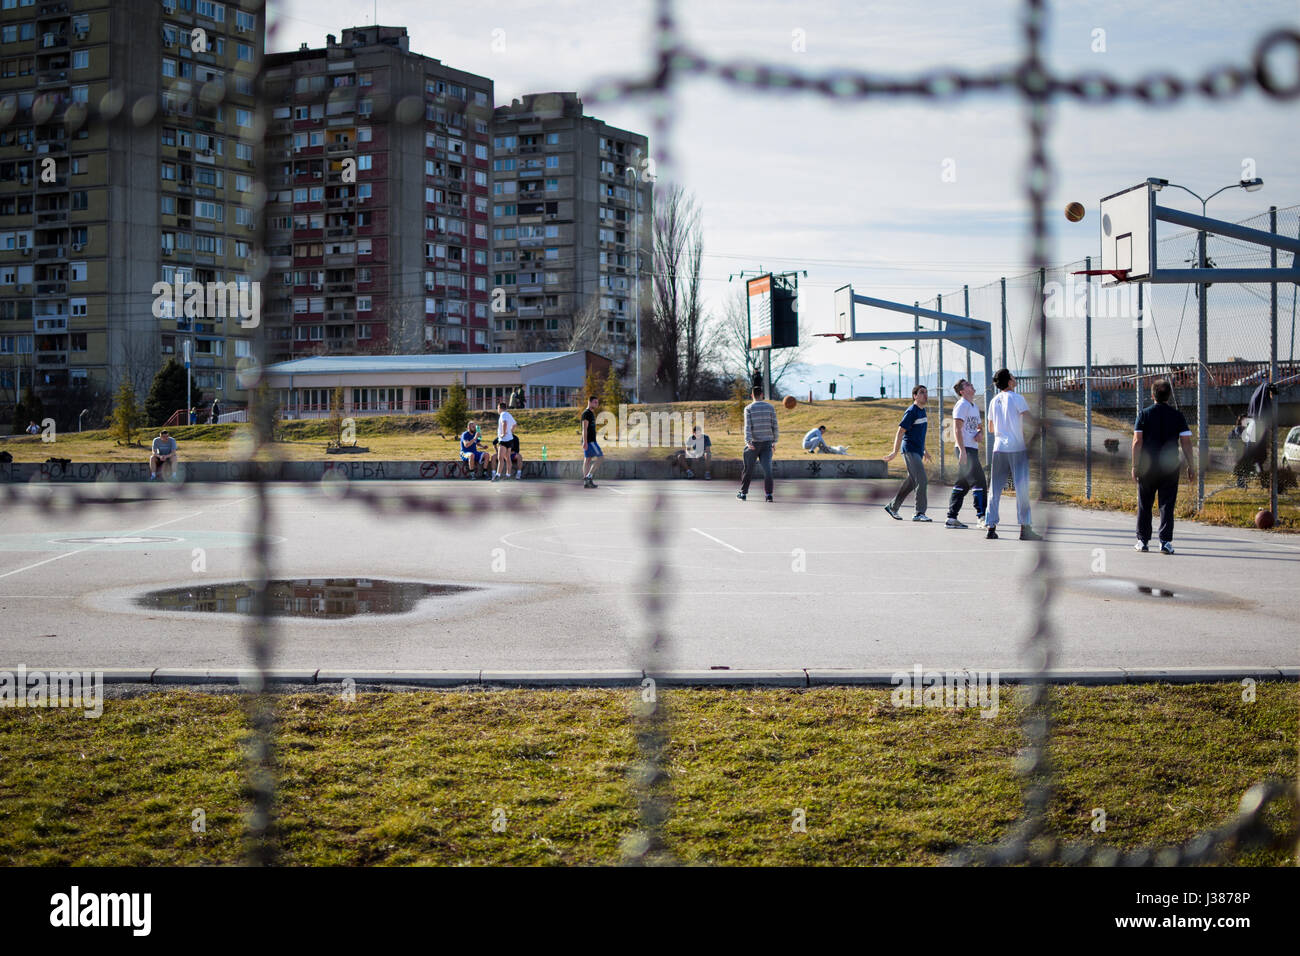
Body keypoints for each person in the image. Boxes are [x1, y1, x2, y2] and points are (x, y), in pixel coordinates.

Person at [1132, 378, 1195, 554]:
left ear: (1152, 395)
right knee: (1167, 504)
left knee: (1145, 503)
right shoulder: (1177, 416)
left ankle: (1143, 541)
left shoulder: (1144, 414)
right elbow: (1186, 443)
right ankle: (1165, 542)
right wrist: (1191, 465)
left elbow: (1137, 442)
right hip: (1170, 466)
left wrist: (1135, 466)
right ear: (1169, 395)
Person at [985, 368, 1041, 541]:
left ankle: (991, 526)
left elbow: (991, 428)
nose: (1014, 378)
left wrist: (1004, 427)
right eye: (1012, 376)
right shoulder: (1017, 398)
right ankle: (1025, 528)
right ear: (1009, 381)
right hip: (1016, 448)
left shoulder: (994, 401)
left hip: (999, 448)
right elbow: (1029, 419)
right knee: (1021, 488)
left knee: (995, 488)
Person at [882, 385, 933, 521]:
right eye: (922, 392)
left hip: (917, 450)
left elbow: (919, 435)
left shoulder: (923, 411)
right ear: (915, 396)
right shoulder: (911, 411)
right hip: (909, 450)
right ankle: (919, 513)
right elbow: (900, 432)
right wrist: (894, 452)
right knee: (922, 480)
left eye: (926, 392)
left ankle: (892, 507)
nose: (925, 395)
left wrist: (925, 451)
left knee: (911, 481)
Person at [945, 378, 986, 529]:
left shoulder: (973, 406)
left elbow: (979, 426)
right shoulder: (961, 405)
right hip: (965, 449)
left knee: (962, 484)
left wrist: (979, 433)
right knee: (979, 481)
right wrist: (962, 451)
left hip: (972, 448)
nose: (971, 385)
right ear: (962, 391)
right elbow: (957, 429)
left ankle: (951, 518)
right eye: (967, 385)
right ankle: (982, 516)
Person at [737, 385, 778, 502]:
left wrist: (748, 441)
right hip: (767, 443)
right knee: (768, 470)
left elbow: (747, 426)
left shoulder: (748, 408)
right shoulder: (770, 407)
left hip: (753, 444)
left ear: (752, 395)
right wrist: (774, 441)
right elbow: (775, 425)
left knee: (748, 469)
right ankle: (769, 495)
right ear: (762, 395)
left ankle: (743, 493)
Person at [493, 401, 521, 481]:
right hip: (510, 439)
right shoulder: (509, 414)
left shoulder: (503, 414)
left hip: (504, 439)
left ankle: (498, 475)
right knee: (507, 457)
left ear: (500, 408)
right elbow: (515, 424)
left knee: (500, 457)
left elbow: (504, 423)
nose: (497, 410)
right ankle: (508, 475)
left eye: (498, 408)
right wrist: (510, 432)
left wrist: (503, 433)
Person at [580, 394, 602, 489]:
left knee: (588, 459)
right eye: (595, 402)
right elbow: (584, 429)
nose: (597, 404)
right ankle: (589, 477)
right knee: (601, 458)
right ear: (590, 402)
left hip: (590, 441)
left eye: (597, 402)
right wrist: (585, 442)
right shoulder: (586, 413)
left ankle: (586, 482)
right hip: (590, 441)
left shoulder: (591, 413)